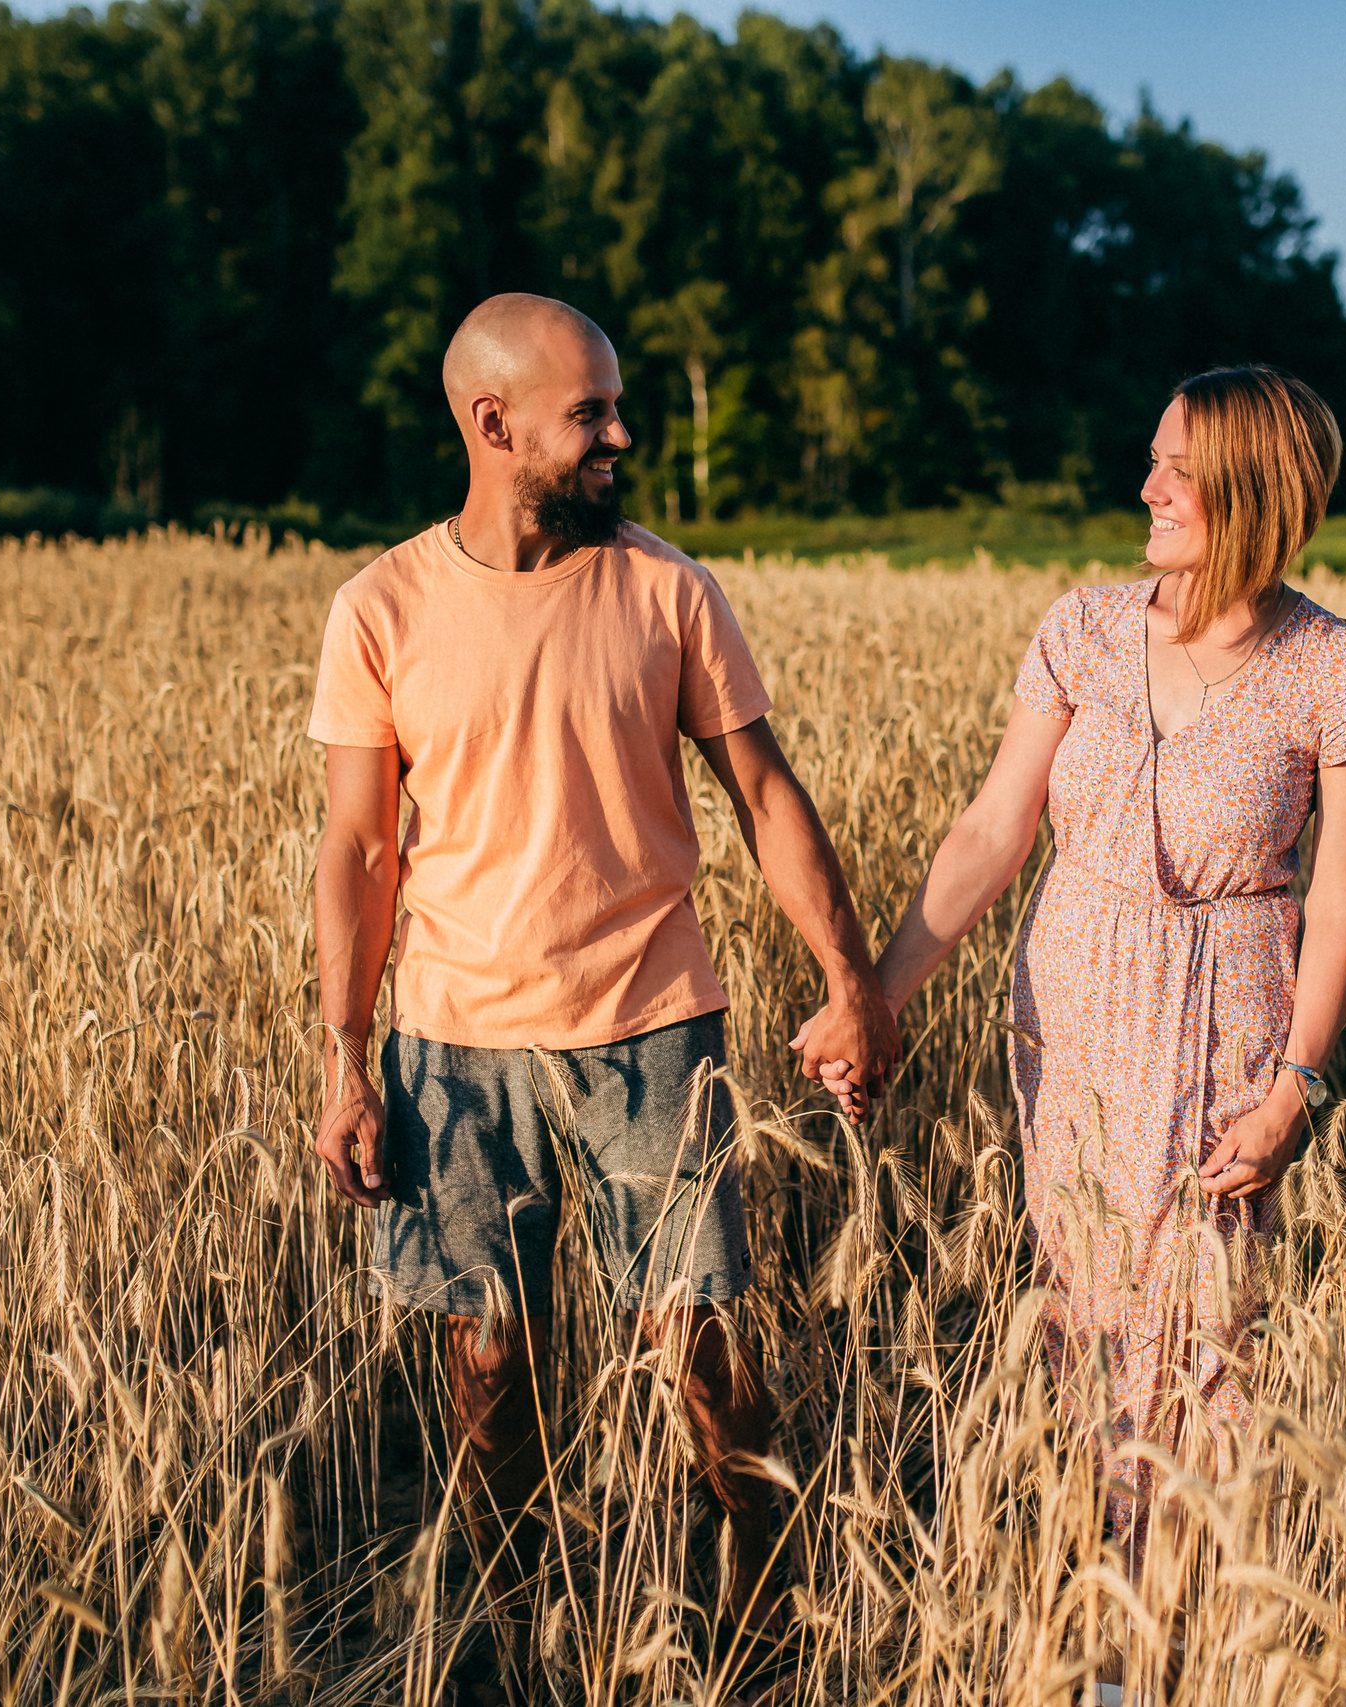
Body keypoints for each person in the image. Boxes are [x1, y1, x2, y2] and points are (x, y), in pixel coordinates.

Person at [307, 293, 903, 1647]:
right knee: (487, 1364)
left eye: (620, 408)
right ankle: (521, 1625)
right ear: (493, 422)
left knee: (699, 1344)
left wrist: (853, 982)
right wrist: (345, 1061)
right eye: (592, 414)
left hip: (653, 1024)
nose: (621, 436)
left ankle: (761, 1622)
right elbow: (359, 846)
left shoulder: (666, 589)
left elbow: (766, 794)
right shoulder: (382, 607)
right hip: (453, 1042)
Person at [793, 364, 1346, 1555]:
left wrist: (1297, 1089)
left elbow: (1340, 898)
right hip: (1068, 1012)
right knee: (1081, 1299)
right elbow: (993, 830)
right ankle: (1102, 1573)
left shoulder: (1339, 669)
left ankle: (1191, 1589)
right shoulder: (1082, 628)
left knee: (1202, 1314)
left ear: (1254, 488)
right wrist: (876, 999)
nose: (1148, 489)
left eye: (1179, 469)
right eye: (1153, 462)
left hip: (1225, 1017)